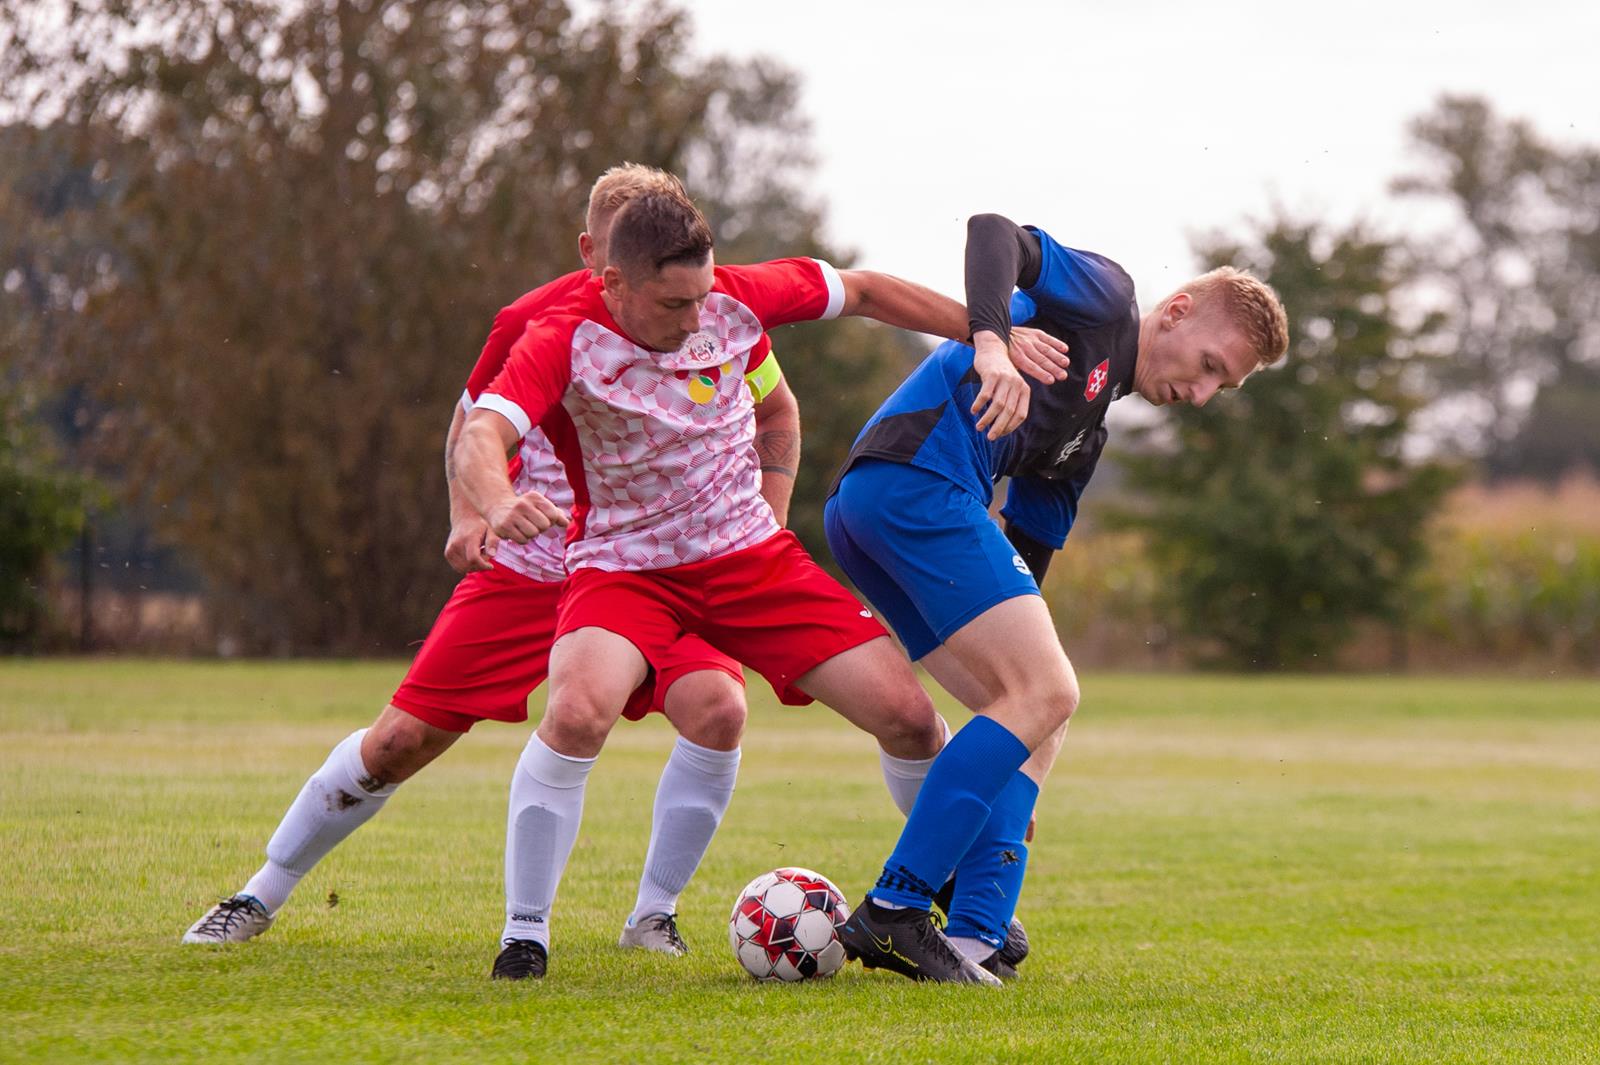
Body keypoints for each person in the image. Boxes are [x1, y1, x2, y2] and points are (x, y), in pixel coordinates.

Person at [454, 191, 1070, 983]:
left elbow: (871, 291)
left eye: (703, 294)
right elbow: (481, 432)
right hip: (624, 567)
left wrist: (991, 334)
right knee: (577, 709)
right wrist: (498, 502)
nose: (695, 318)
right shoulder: (562, 335)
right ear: (614, 283)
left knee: (913, 720)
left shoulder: (737, 297)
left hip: (750, 560)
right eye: (674, 303)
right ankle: (526, 933)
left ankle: (922, 903)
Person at [182, 166, 767, 958]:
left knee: (719, 709)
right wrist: (471, 513)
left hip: (654, 567)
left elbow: (775, 403)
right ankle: (261, 890)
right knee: (397, 742)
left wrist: (760, 513)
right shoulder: (533, 320)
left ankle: (652, 915)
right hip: (531, 565)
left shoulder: (704, 312)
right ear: (597, 253)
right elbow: (472, 424)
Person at [827, 212, 1290, 982]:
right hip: (914, 482)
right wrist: (989, 340)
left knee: (1040, 709)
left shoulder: (1086, 436)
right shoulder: (1107, 300)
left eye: (1224, 385)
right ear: (1175, 312)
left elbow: (1025, 569)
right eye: (1209, 364)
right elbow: (993, 233)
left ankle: (977, 931)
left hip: (876, 509)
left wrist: (1008, 776)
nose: (1204, 394)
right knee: (1047, 689)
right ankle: (895, 909)